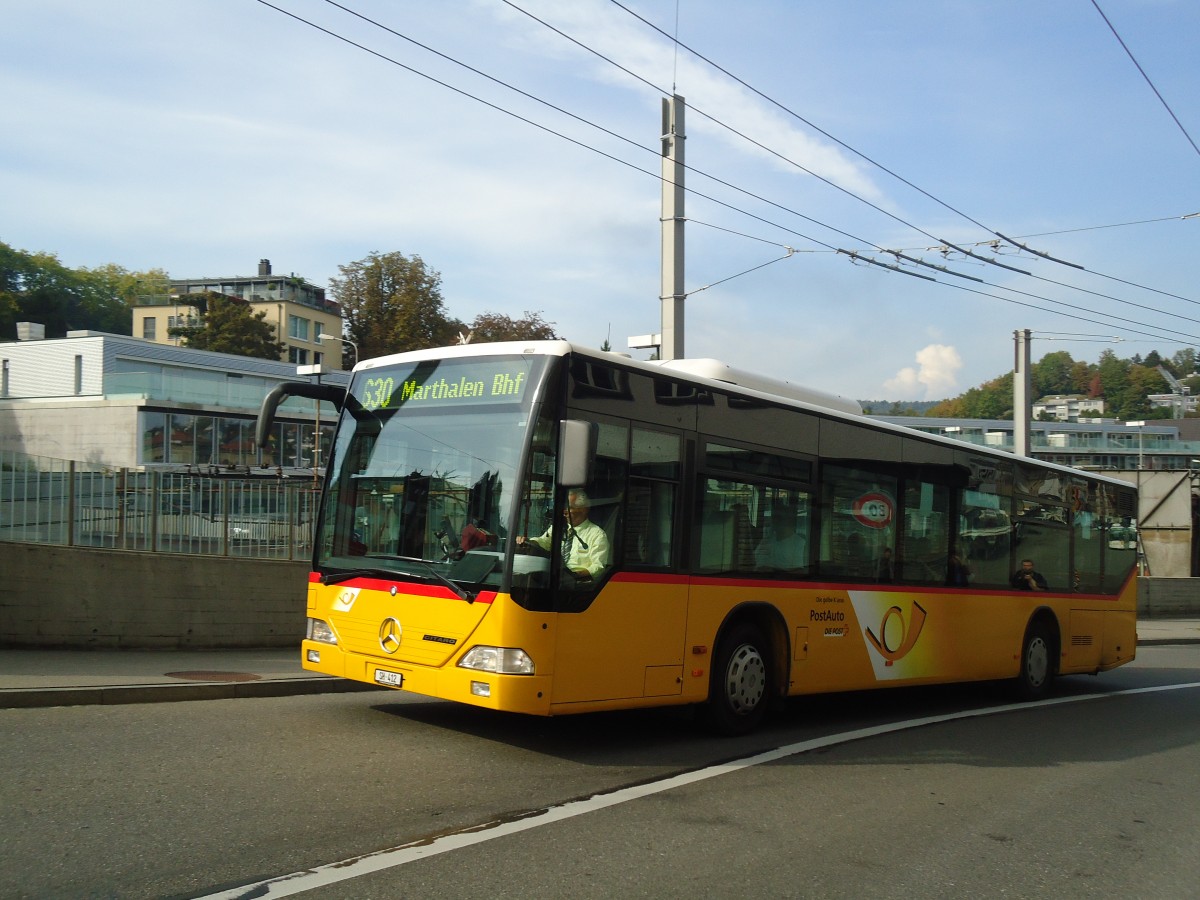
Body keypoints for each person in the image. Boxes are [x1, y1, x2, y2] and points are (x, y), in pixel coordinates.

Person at [516, 488, 610, 580]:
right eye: (564, 507)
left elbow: (598, 567)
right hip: (555, 580)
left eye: (569, 508)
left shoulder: (597, 535)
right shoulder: (558, 528)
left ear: (583, 510)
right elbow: (544, 542)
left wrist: (573, 577)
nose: (565, 512)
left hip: (578, 586)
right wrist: (527, 541)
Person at [756, 504, 807, 570]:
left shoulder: (800, 543)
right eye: (774, 518)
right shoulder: (767, 540)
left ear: (788, 521)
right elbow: (758, 564)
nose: (775, 522)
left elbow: (798, 570)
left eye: (779, 518)